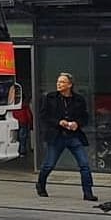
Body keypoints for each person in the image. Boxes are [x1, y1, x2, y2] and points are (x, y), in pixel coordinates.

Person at [36, 73, 96, 202]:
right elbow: (44, 116)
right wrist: (58, 122)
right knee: (49, 164)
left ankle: (88, 192)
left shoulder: (79, 99)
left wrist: (77, 124)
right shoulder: (50, 97)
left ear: (70, 85)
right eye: (58, 82)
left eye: (62, 82)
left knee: (84, 165)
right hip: (57, 136)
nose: (59, 84)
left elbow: (85, 117)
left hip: (74, 136)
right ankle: (40, 185)